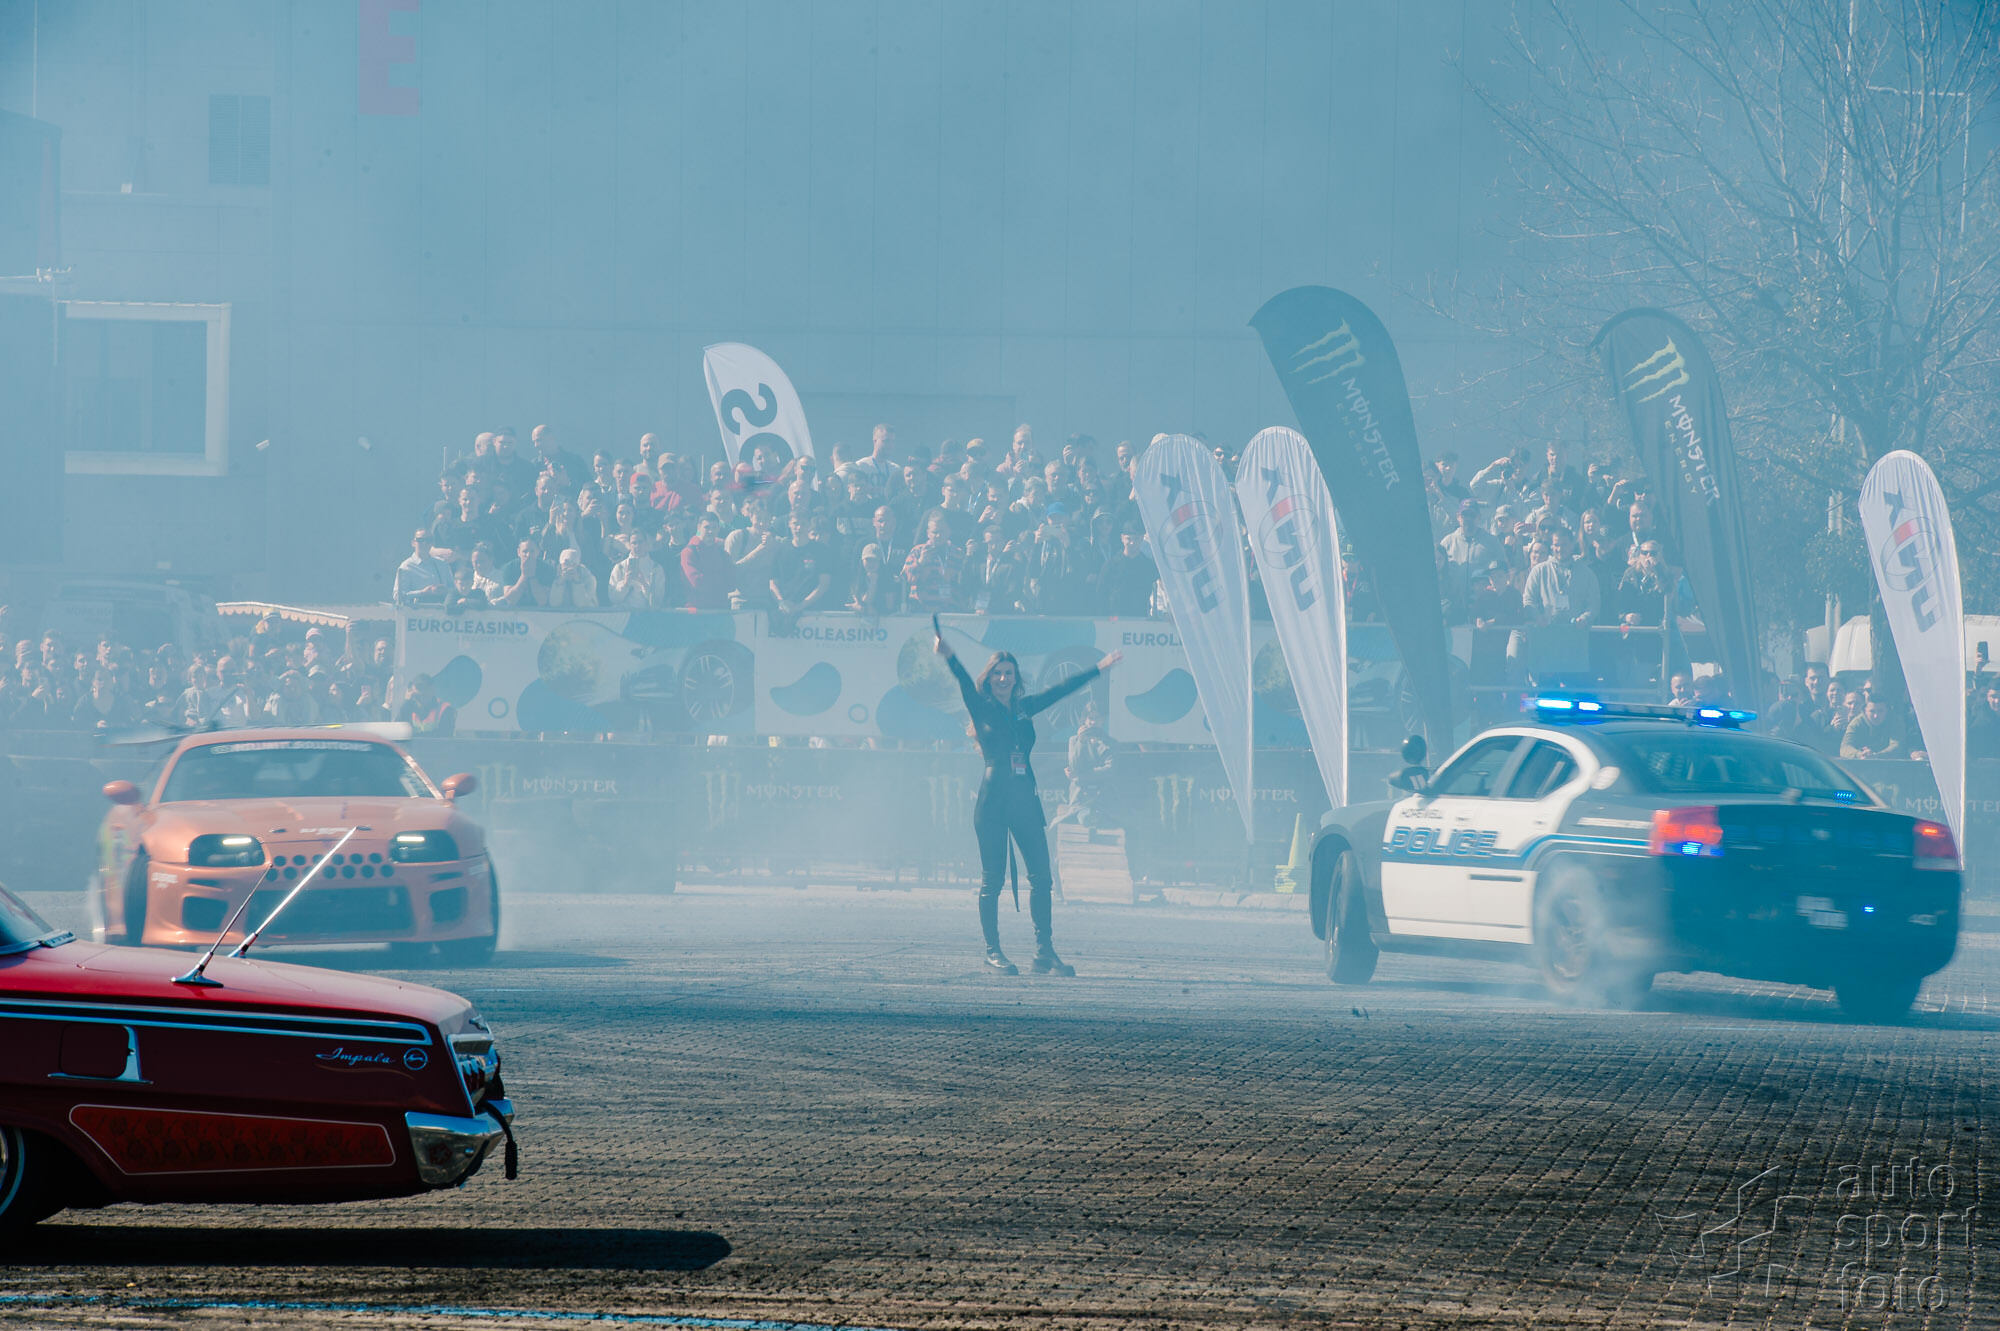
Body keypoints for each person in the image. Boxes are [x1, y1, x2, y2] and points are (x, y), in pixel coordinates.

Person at [936, 625, 1121, 977]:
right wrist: (950, 656)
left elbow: (1061, 689)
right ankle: (993, 951)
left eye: (1009, 673)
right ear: (989, 678)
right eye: (998, 673)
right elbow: (963, 681)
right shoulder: (981, 706)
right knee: (992, 880)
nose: (1003, 678)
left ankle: (1044, 952)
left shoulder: (1025, 706)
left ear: (1016, 678)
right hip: (992, 802)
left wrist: (1099, 668)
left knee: (1042, 877)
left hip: (1024, 799)